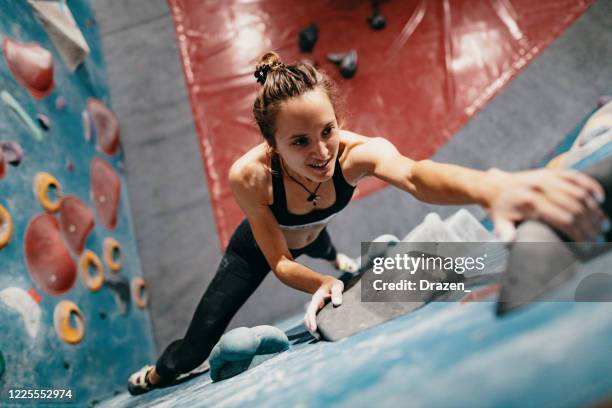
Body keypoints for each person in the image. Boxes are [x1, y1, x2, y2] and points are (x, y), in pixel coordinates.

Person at [128, 51, 608, 394]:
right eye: (299, 143)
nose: (320, 153)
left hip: (318, 228)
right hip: (259, 249)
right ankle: (159, 372)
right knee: (195, 348)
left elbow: (418, 176)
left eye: (327, 131)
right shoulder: (249, 178)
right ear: (273, 145)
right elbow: (276, 259)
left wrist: (493, 187)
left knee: (322, 237)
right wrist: (322, 282)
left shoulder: (356, 154)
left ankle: (332, 252)